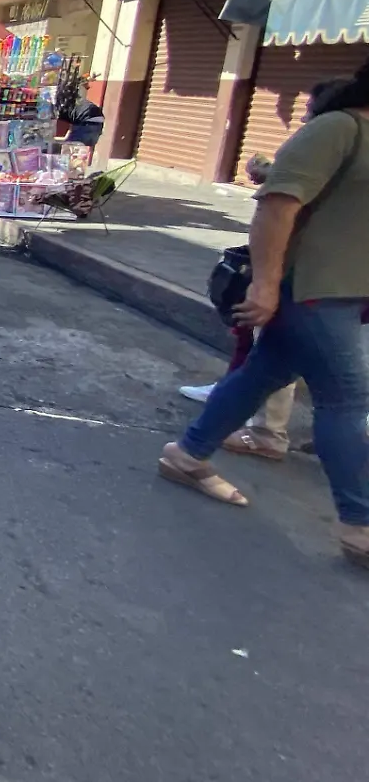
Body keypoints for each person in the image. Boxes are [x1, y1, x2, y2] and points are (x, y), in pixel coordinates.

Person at [156, 68, 369, 567]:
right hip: (311, 289)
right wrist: (266, 284)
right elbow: (277, 206)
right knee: (345, 400)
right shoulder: (339, 128)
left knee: (264, 375)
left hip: (341, 291)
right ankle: (359, 523)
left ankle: (187, 456)